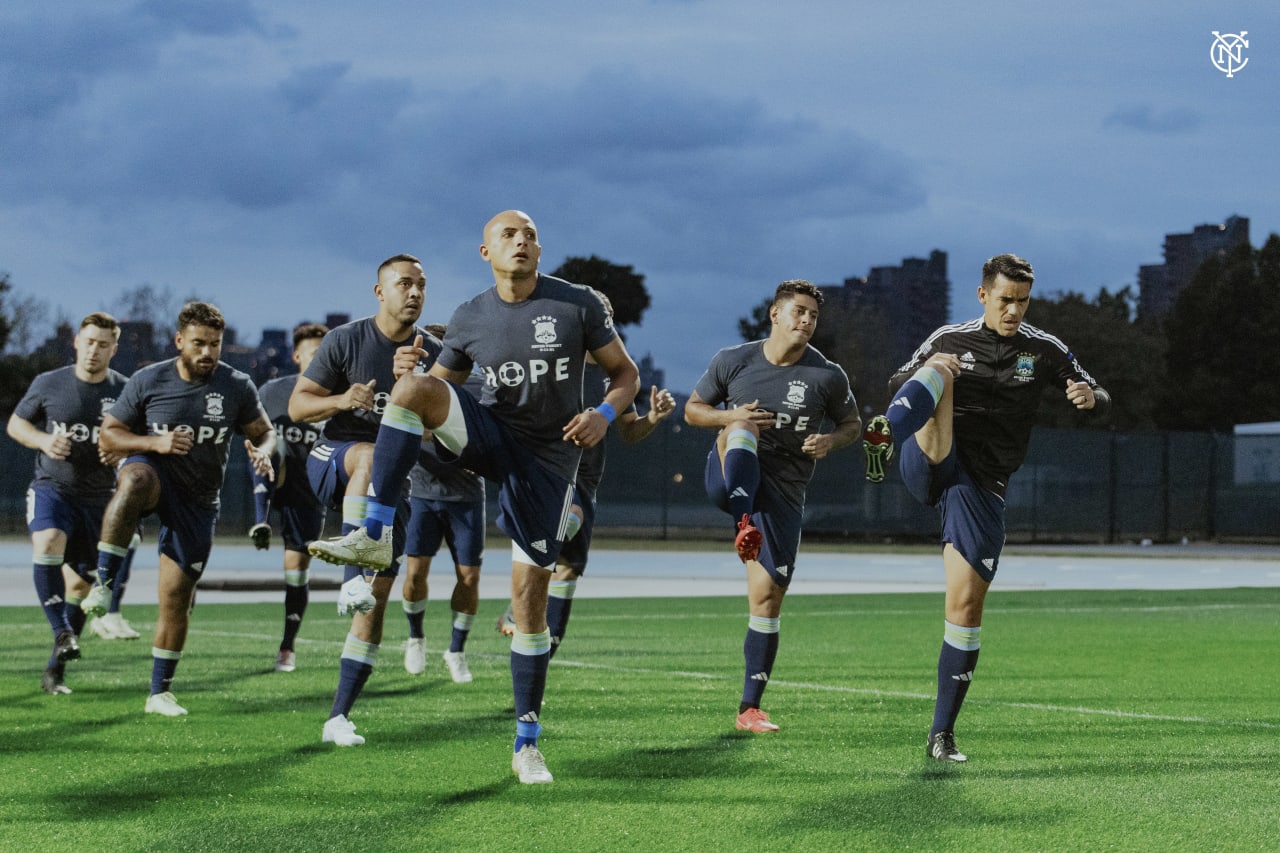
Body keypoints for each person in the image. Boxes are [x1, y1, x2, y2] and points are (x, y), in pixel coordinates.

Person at [310, 209, 640, 784]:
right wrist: (410, 371)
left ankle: (527, 742)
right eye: (509, 235)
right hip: (492, 437)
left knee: (528, 601)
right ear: (485, 253)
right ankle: (374, 532)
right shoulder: (468, 316)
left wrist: (604, 414)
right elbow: (441, 388)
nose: (522, 242)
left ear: (540, 251)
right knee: (411, 390)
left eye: (530, 235)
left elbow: (626, 375)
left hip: (547, 461)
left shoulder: (577, 305)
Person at [863, 253, 1111, 762]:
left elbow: (1100, 391)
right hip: (933, 455)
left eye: (1022, 301)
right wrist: (936, 368)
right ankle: (883, 435)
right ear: (983, 296)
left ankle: (941, 735)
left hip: (981, 485)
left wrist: (1091, 397)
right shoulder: (950, 337)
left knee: (966, 607)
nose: (1014, 310)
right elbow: (896, 380)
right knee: (941, 371)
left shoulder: (1044, 350)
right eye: (1005, 300)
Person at [685, 279, 862, 734]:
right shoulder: (733, 360)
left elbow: (853, 425)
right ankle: (742, 522)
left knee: (766, 600)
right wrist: (730, 416)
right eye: (799, 312)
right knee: (745, 427)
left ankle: (750, 709)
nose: (806, 321)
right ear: (775, 314)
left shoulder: (827, 375)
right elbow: (693, 410)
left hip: (783, 494)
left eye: (813, 316)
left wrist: (829, 440)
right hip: (730, 475)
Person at [92, 302, 277, 716]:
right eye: (198, 343)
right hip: (156, 476)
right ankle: (103, 584)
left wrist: (262, 452)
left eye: (215, 344)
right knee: (134, 480)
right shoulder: (148, 379)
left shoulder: (237, 385)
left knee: (176, 597)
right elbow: (109, 436)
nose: (208, 352)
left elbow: (265, 433)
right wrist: (153, 444)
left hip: (198, 500)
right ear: (179, 342)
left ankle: (159, 693)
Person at [289, 254, 437, 747]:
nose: (413, 293)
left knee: (372, 612)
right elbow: (299, 405)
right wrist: (343, 400)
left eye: (420, 285)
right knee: (371, 456)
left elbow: (449, 427)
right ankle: (353, 573)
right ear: (379, 292)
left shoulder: (433, 352)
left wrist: (415, 389)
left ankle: (338, 717)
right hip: (335, 458)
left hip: (391, 487)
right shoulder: (345, 339)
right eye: (403, 284)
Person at [496, 293, 678, 660]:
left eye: (607, 316)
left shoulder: (618, 375)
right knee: (567, 523)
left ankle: (540, 653)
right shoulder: (555, 362)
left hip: (587, 480)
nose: (601, 323)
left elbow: (629, 430)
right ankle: (521, 602)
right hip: (546, 473)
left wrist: (654, 419)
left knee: (566, 572)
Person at [7, 312, 131, 694]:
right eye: (89, 341)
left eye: (103, 344)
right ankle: (62, 632)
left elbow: (136, 441)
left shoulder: (126, 391)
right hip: (53, 488)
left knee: (78, 588)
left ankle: (54, 670)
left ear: (114, 348)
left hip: (99, 501)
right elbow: (16, 425)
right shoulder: (49, 383)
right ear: (77, 342)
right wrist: (44, 441)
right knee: (47, 542)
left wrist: (122, 454)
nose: (94, 349)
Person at [401, 323, 488, 683]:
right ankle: (415, 637)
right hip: (421, 493)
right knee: (415, 574)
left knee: (469, 577)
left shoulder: (480, 387)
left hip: (466, 496)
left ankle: (456, 649)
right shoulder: (414, 386)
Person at [246, 322, 329, 672]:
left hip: (306, 492)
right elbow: (252, 431)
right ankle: (259, 520)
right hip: (269, 475)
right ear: (297, 356)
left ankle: (287, 647)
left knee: (295, 571)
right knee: (271, 448)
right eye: (313, 353)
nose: (319, 359)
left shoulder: (336, 401)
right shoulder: (271, 391)